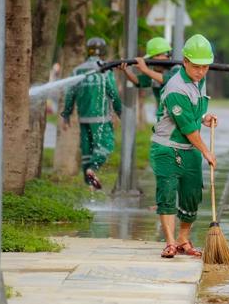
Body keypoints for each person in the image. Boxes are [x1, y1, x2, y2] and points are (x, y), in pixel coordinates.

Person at [150, 34, 218, 259]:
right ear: (185, 62)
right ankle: (169, 242)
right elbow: (188, 128)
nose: (201, 71)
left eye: (205, 67)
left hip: (188, 150)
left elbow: (194, 112)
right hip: (167, 148)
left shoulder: (200, 80)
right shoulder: (175, 88)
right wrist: (206, 151)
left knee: (191, 195)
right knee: (167, 193)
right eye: (196, 66)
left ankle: (183, 238)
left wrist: (205, 117)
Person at [61, 37, 122, 190]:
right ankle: (92, 169)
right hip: (101, 117)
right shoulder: (105, 69)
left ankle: (90, 185)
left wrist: (66, 114)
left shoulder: (77, 70)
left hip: (84, 117)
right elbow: (112, 92)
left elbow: (70, 94)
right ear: (103, 52)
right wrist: (120, 112)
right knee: (105, 145)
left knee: (87, 149)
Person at [120, 36, 180, 121]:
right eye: (155, 56)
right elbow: (137, 81)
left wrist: (145, 69)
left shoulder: (176, 70)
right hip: (163, 118)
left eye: (161, 55)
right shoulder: (154, 73)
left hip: (179, 117)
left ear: (168, 55)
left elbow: (167, 80)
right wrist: (125, 70)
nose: (158, 59)